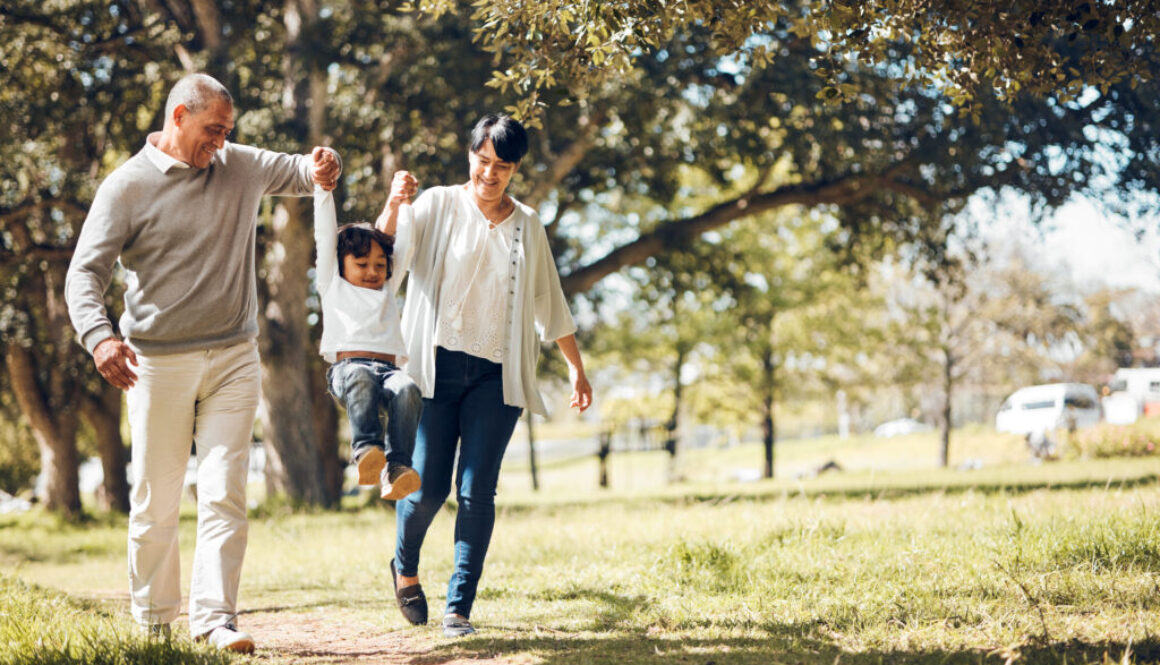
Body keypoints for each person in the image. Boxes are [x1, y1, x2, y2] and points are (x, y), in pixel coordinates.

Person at [64, 73, 341, 653]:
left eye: (228, 132)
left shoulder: (237, 164)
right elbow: (84, 275)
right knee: (157, 497)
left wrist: (322, 165)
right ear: (179, 116)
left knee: (224, 491)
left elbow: (299, 170)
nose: (221, 142)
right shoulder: (126, 187)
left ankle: (215, 619)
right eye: (213, 130)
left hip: (235, 356)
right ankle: (155, 620)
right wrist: (99, 338)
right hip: (156, 363)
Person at [377, 114, 593, 637]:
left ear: (516, 168)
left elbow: (548, 300)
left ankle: (459, 608)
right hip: (434, 368)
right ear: (469, 154)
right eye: (482, 160)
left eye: (502, 166)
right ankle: (404, 568)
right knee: (426, 488)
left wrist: (575, 366)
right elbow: (382, 258)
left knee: (477, 491)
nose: (489, 173)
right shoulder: (436, 204)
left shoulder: (528, 224)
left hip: (497, 374)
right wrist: (392, 204)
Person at [312, 186, 421, 499]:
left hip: (389, 371)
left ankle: (398, 467)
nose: (373, 272)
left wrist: (404, 204)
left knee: (408, 389)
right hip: (347, 369)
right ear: (341, 263)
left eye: (380, 264)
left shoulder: (387, 286)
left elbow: (407, 244)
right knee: (360, 376)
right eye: (361, 265)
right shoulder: (331, 284)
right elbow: (323, 235)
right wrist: (322, 190)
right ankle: (366, 451)